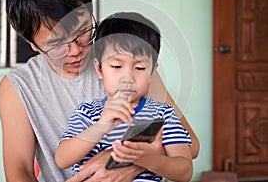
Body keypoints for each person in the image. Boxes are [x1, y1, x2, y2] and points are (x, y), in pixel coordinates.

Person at [0, 0, 199, 182]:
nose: (75, 51)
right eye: (57, 44)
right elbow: (20, 170)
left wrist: (122, 162)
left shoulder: (129, 65)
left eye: (83, 32)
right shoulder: (19, 86)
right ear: (32, 44)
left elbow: (191, 147)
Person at [55, 12, 193, 182]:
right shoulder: (87, 113)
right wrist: (101, 127)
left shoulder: (162, 114)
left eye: (140, 68)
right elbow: (62, 159)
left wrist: (153, 161)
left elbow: (185, 171)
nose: (127, 77)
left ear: (152, 72)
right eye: (116, 66)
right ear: (99, 69)